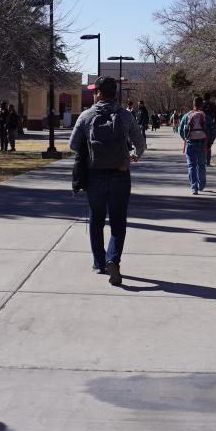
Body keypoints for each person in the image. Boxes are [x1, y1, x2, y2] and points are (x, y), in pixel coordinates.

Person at [68, 77, 146, 286]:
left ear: (100, 93)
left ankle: (99, 263)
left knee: (96, 220)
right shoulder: (126, 115)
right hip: (120, 174)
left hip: (95, 176)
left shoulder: (86, 115)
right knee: (118, 222)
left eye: (95, 91)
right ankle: (113, 259)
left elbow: (73, 145)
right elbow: (140, 143)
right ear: (115, 94)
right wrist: (134, 155)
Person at [178, 96, 212, 194]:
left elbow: (180, 130)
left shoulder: (186, 116)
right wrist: (210, 142)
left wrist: (185, 138)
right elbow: (212, 130)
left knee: (191, 166)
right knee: (201, 165)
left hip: (190, 143)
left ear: (193, 104)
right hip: (202, 143)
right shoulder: (205, 116)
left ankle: (194, 187)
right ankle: (201, 185)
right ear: (202, 104)